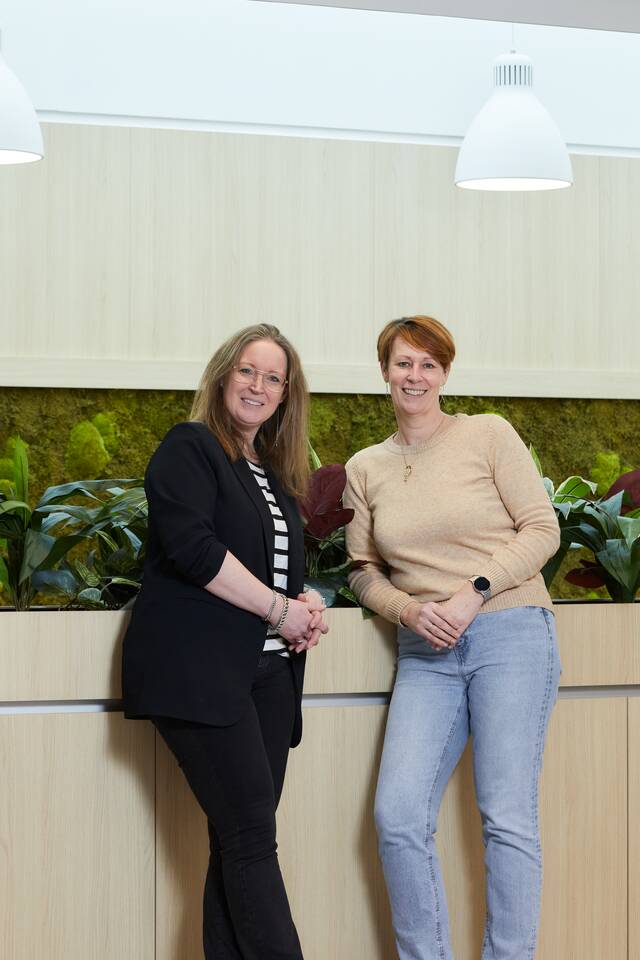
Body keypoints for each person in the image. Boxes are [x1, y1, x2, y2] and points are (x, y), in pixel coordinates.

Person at [344, 315, 561, 960]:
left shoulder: (488, 435)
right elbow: (361, 570)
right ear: (384, 370)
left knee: (507, 818)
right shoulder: (365, 467)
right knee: (398, 817)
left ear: (445, 373)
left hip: (511, 633)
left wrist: (476, 590)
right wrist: (408, 611)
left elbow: (541, 528)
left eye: (429, 365)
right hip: (426, 652)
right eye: (403, 363)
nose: (416, 376)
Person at [122, 323, 328, 960]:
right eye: (248, 371)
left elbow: (275, 566)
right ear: (221, 376)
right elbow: (194, 549)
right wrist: (277, 608)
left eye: (273, 378)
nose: (259, 386)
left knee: (239, 840)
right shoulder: (190, 446)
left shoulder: (271, 472)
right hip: (201, 676)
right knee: (249, 840)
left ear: (286, 395)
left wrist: (306, 600)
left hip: (267, 678)